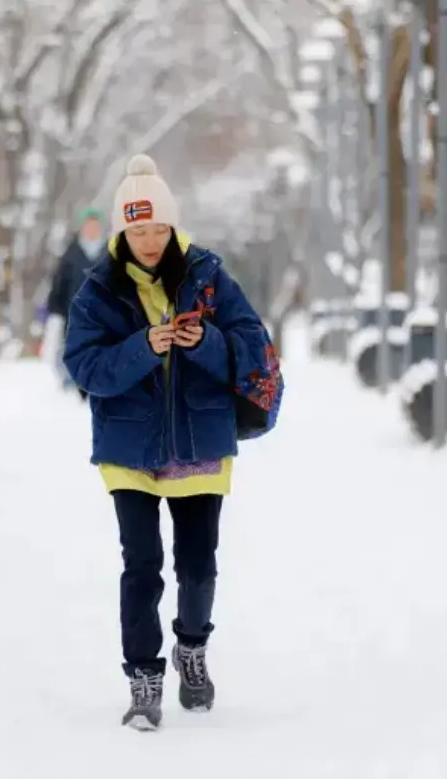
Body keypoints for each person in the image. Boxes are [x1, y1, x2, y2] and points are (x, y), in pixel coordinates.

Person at [63, 153, 281, 732]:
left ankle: (192, 649)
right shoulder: (98, 291)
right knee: (141, 566)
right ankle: (143, 678)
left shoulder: (208, 275)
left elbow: (252, 346)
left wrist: (202, 340)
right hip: (128, 449)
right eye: (138, 229)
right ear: (122, 231)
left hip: (200, 441)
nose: (150, 240)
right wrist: (145, 346)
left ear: (173, 226)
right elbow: (84, 367)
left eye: (159, 227)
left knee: (198, 566)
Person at [46, 206, 107, 393]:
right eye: (88, 226)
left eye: (95, 226)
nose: (92, 230)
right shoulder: (71, 253)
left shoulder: (109, 252)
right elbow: (59, 283)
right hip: (74, 312)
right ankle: (72, 380)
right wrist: (55, 307)